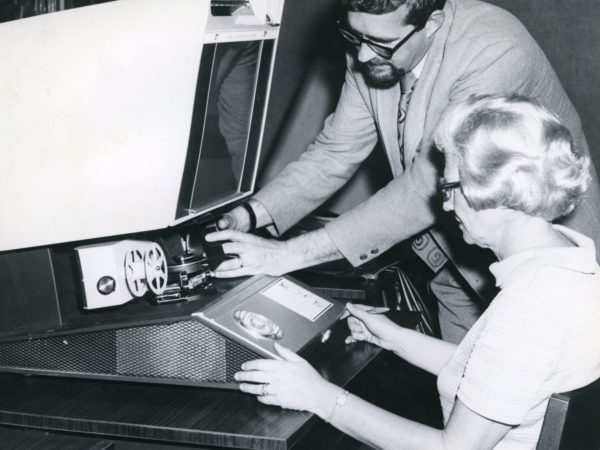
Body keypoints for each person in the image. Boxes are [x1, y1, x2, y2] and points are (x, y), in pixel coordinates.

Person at [205, 0, 600, 343]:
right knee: (458, 395)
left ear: (433, 24)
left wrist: (288, 254)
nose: (361, 57)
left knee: (542, 420)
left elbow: (425, 184)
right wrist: (250, 214)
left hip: (541, 266)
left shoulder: (495, 49)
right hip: (457, 257)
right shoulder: (370, 45)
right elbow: (336, 150)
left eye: (379, 44)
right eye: (353, 36)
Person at [233, 95, 600, 449]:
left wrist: (319, 396)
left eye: (451, 187)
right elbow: (493, 376)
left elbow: (452, 448)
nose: (445, 203)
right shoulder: (572, 262)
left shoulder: (529, 305)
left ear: (500, 186)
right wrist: (391, 337)